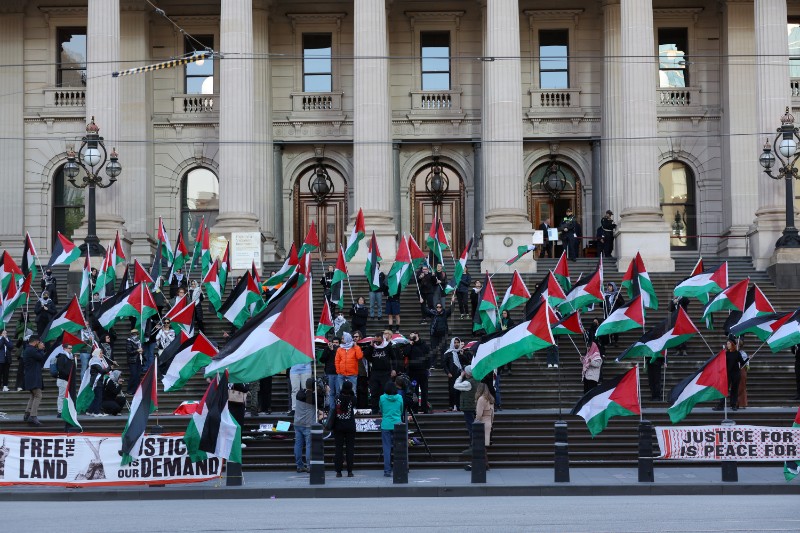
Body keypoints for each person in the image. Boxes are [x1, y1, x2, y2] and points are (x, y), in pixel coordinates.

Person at [364, 331, 397, 414]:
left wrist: (394, 369)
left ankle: (385, 409)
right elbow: (365, 355)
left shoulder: (388, 346)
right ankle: (375, 410)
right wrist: (371, 345)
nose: (377, 343)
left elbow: (394, 358)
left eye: (379, 341)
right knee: (374, 392)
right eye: (376, 341)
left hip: (385, 373)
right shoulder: (372, 347)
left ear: (382, 339)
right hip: (375, 372)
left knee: (385, 391)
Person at [294, 378, 320, 473]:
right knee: (309, 445)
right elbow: (319, 401)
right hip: (308, 424)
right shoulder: (313, 398)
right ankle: (309, 465)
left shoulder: (299, 394)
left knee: (298, 445)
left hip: (297, 423)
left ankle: (299, 465)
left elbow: (305, 394)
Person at [332, 379, 356, 477]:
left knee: (338, 448)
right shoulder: (353, 398)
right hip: (350, 425)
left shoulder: (337, 397)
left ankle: (338, 471)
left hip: (338, 426)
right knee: (350, 449)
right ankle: (350, 471)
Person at [379, 381, 403, 477]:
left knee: (386, 448)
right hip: (397, 424)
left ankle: (387, 470)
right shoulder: (400, 397)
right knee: (399, 448)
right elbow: (401, 410)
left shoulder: (382, 398)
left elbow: (381, 409)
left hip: (386, 425)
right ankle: (399, 468)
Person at [422, 296, 454, 368]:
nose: (438, 308)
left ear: (442, 307)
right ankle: (433, 364)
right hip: (434, 335)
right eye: (437, 307)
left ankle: (444, 364)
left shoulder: (445, 314)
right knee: (434, 349)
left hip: (443, 335)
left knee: (443, 350)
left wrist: (453, 302)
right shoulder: (433, 314)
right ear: (435, 308)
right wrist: (422, 303)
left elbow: (451, 309)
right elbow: (425, 310)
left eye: (440, 307)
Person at [402, 332, 430, 413]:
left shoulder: (424, 345)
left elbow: (428, 356)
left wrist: (427, 367)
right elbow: (405, 353)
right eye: (410, 335)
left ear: (417, 335)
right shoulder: (409, 345)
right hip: (413, 373)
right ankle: (415, 409)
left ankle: (425, 408)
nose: (411, 336)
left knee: (424, 390)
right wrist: (410, 345)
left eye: (413, 335)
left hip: (423, 372)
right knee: (414, 391)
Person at [22, 335, 46, 426]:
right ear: (36, 342)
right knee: (38, 395)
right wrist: (40, 349)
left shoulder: (29, 349)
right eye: (39, 342)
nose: (40, 344)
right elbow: (41, 357)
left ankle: (27, 413)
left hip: (31, 376)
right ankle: (33, 415)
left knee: (33, 395)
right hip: (32, 376)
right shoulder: (31, 350)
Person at [715, 337, 743, 411]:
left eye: (728, 343)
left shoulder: (737, 353)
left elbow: (742, 363)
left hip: (736, 374)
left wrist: (748, 358)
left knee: (734, 389)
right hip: (727, 374)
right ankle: (721, 405)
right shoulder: (725, 353)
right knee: (724, 389)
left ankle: (733, 405)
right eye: (727, 344)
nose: (727, 345)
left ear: (732, 344)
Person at [335, 332, 363, 404]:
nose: (342, 339)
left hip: (352, 374)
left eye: (343, 338)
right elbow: (337, 361)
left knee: (353, 391)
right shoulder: (340, 349)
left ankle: (353, 407)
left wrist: (356, 346)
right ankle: (342, 407)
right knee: (341, 391)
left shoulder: (355, 348)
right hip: (341, 374)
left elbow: (359, 356)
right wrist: (338, 371)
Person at [454, 365, 479, 443]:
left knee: (470, 426)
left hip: (468, 407)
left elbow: (456, 385)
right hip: (474, 405)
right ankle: (475, 442)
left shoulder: (468, 383)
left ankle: (473, 443)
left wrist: (460, 376)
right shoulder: (477, 380)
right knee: (473, 425)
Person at [474, 382, 495, 470]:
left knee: (481, 445)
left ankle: (485, 464)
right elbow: (493, 413)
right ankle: (486, 464)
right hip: (489, 422)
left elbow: (479, 414)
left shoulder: (481, 399)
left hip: (482, 423)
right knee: (485, 445)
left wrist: (476, 421)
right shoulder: (490, 398)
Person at [319, 337, 341, 413]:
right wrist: (328, 350)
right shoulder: (327, 349)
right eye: (334, 342)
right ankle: (332, 408)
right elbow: (322, 359)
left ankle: (338, 408)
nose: (335, 344)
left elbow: (337, 358)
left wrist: (332, 350)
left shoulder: (340, 350)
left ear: (339, 343)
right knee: (331, 392)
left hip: (338, 373)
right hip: (330, 373)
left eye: (337, 342)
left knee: (338, 392)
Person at [87, 348, 110, 416]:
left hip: (98, 380)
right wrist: (109, 367)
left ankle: (90, 411)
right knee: (99, 397)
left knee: (97, 396)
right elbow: (102, 371)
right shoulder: (95, 362)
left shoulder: (97, 361)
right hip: (97, 381)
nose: (102, 354)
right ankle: (96, 412)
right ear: (97, 353)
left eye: (102, 353)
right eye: (100, 353)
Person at [443, 337, 464, 411]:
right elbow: (444, 364)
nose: (456, 344)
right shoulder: (448, 353)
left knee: (459, 390)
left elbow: (465, 362)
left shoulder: (461, 352)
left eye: (458, 342)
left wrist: (462, 354)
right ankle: (452, 405)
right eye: (455, 342)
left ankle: (458, 405)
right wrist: (448, 372)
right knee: (452, 390)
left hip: (460, 374)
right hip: (452, 374)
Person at [55, 343, 76, 415]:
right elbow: (60, 368)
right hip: (62, 379)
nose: (71, 349)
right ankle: (60, 411)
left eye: (71, 348)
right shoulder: (62, 357)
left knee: (65, 396)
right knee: (62, 396)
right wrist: (68, 374)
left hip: (67, 379)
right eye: (69, 348)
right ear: (64, 349)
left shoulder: (69, 357)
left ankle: (64, 410)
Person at [125, 329, 144, 394]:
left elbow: (140, 349)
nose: (135, 335)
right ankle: (130, 390)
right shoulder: (129, 341)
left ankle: (136, 390)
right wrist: (137, 351)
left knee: (138, 375)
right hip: (132, 360)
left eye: (136, 333)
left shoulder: (139, 341)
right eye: (133, 333)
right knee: (134, 375)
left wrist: (141, 351)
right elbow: (129, 351)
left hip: (139, 359)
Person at [499, 310, 515, 374]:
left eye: (505, 313)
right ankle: (502, 368)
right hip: (502, 339)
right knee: (502, 355)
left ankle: (509, 369)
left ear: (507, 314)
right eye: (503, 313)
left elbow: (512, 329)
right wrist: (499, 324)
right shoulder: (501, 321)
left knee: (509, 355)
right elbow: (498, 330)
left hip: (508, 339)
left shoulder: (510, 321)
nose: (503, 314)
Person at [737, 338, 749, 410]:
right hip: (734, 370)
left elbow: (745, 363)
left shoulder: (743, 354)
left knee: (741, 387)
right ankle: (736, 403)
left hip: (741, 370)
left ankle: (742, 403)